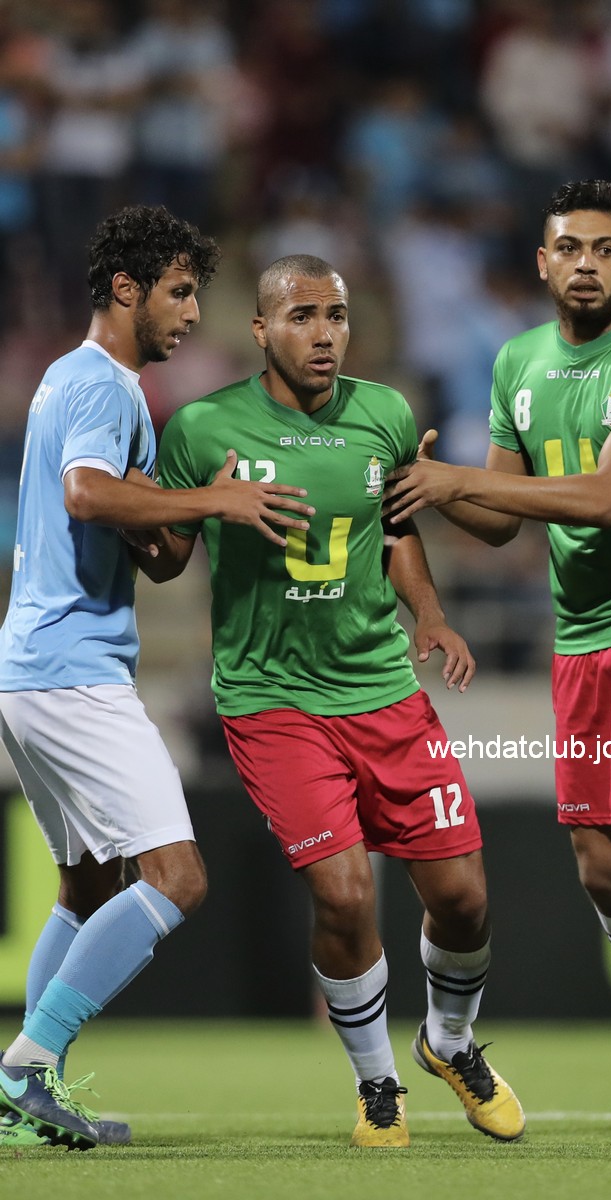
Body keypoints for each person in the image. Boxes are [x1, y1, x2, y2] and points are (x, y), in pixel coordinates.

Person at [384, 179, 611, 1148]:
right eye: (569, 248)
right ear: (542, 263)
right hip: (583, 639)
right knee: (603, 868)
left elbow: (606, 498)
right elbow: (503, 520)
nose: (586, 263)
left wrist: (457, 478)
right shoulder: (517, 363)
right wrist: (420, 490)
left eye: (604, 249)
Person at [150, 254, 524, 1149]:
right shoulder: (203, 427)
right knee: (347, 892)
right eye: (303, 316)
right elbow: (162, 560)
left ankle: (450, 1041)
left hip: (383, 691)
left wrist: (429, 613)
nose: (324, 334)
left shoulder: (385, 413)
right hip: (272, 700)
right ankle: (377, 1083)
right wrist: (203, 503)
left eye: (338, 316)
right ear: (261, 328)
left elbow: (395, 529)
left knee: (464, 899)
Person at [0, 205, 315, 1150]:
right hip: (72, 672)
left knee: (88, 885)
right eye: (178, 293)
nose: (192, 313)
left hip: (32, 670)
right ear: (126, 289)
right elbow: (86, 494)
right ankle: (25, 1068)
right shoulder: (103, 384)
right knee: (177, 878)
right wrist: (215, 495)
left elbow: (155, 553)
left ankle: (26, 1086)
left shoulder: (76, 381)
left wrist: (198, 509)